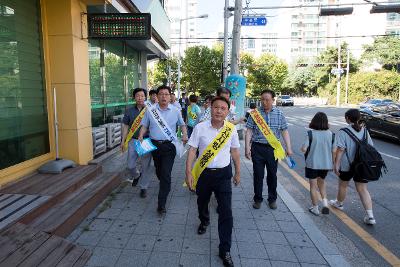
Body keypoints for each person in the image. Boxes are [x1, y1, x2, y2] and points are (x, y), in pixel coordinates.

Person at [185, 96, 240, 267]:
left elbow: (235, 152)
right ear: (211, 108)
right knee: (202, 202)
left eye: (223, 108)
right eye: (216, 107)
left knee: (226, 212)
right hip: (204, 174)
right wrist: (188, 172)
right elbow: (192, 150)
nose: (219, 111)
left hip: (223, 175)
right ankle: (204, 220)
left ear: (227, 112)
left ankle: (225, 249)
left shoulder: (231, 129)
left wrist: (238, 172)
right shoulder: (200, 128)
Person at [138, 85, 188, 214]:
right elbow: (144, 125)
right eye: (161, 94)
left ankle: (161, 204)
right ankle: (164, 182)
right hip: (155, 146)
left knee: (165, 173)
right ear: (157, 96)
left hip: (169, 146)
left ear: (170, 96)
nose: (164, 96)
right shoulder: (151, 110)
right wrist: (140, 135)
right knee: (159, 171)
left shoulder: (176, 110)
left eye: (166, 94)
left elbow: (182, 124)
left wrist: (185, 135)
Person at [245, 89, 293, 210]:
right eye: (262, 99)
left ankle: (272, 199)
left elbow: (284, 130)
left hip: (273, 150)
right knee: (258, 175)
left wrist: (289, 147)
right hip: (257, 148)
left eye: (267, 99)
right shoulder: (255, 114)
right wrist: (247, 147)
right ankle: (258, 199)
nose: (264, 102)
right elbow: (249, 131)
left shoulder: (279, 113)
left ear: (273, 100)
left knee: (272, 175)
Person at [330, 109, 376, 225]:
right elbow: (371, 147)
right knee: (363, 189)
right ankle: (370, 216)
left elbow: (340, 150)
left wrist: (336, 164)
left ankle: (339, 203)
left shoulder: (343, 132)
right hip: (362, 165)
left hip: (347, 165)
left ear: (347, 119)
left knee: (343, 185)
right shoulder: (365, 131)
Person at [300, 112, 336, 216]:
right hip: (325, 165)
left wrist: (304, 148)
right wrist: (332, 163)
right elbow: (334, 151)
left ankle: (315, 208)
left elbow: (303, 149)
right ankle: (325, 204)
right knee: (322, 184)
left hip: (312, 164)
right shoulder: (331, 134)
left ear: (314, 121)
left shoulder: (311, 134)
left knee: (313, 186)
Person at [121, 88, 152, 198]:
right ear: (134, 97)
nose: (140, 98)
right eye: (138, 96)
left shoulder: (150, 110)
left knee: (145, 166)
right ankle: (136, 175)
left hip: (145, 140)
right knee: (130, 165)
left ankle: (144, 187)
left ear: (145, 97)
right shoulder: (129, 111)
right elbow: (125, 126)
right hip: (133, 140)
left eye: (142, 96)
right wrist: (123, 140)